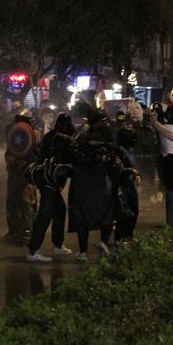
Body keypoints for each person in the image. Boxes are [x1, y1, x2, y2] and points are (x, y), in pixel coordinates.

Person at [67, 110, 120, 260]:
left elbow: (70, 163)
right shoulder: (108, 151)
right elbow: (116, 169)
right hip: (103, 191)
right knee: (106, 218)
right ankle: (103, 241)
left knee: (82, 221)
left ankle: (82, 252)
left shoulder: (79, 149)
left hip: (83, 191)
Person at [25, 113, 74, 262]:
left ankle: (58, 245)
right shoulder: (63, 139)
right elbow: (67, 159)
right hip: (50, 183)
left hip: (46, 179)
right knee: (45, 215)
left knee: (59, 210)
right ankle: (33, 251)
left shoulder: (50, 136)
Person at [4, 108, 39, 245]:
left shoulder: (34, 134)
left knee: (26, 203)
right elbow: (9, 153)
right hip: (15, 174)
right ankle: (15, 230)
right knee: (14, 202)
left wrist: (26, 161)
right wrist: (12, 160)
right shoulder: (15, 134)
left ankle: (27, 232)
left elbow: (36, 155)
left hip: (28, 175)